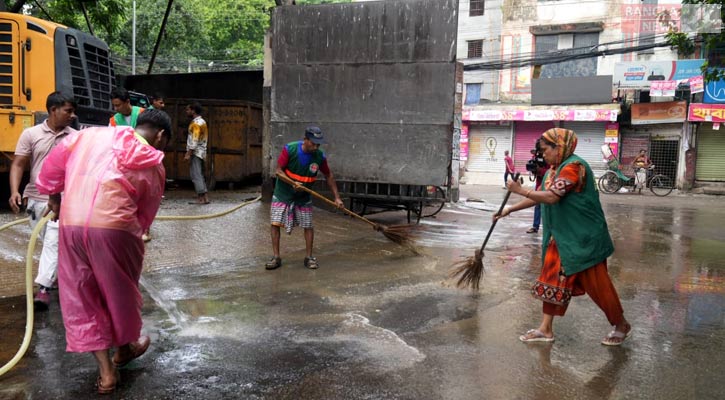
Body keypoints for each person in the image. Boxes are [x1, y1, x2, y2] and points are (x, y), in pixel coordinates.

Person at [36, 109, 171, 395]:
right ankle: (125, 347)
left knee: (82, 296)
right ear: (160, 135)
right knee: (119, 291)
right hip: (115, 229)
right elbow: (147, 210)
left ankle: (107, 373)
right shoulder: (153, 163)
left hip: (72, 224)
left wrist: (53, 195)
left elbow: (53, 165)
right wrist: (139, 230)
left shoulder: (88, 136)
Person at [495, 128, 631, 346]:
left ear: (559, 147)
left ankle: (621, 324)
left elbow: (551, 196)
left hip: (582, 239)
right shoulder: (552, 171)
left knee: (598, 286)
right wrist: (510, 210)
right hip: (559, 237)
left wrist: (520, 190)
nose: (543, 155)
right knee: (551, 280)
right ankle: (545, 329)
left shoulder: (573, 168)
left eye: (545, 150)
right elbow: (539, 196)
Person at [8, 92, 77, 310]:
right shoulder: (31, 134)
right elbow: (19, 164)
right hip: (36, 198)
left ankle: (44, 289)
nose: (72, 116)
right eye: (68, 111)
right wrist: (14, 191)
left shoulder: (74, 136)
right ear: (53, 110)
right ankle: (55, 277)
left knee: (54, 241)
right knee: (52, 243)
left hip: (63, 198)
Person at [265, 126, 344, 270]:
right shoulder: (290, 149)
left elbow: (329, 176)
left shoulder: (320, 157)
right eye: (313, 143)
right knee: (275, 223)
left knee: (308, 225)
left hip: (303, 195)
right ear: (305, 140)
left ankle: (309, 257)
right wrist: (293, 183)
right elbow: (278, 171)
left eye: (318, 144)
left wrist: (337, 198)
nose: (315, 146)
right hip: (283, 193)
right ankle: (276, 257)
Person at [184, 102, 210, 204]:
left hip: (196, 152)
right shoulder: (202, 121)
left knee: (196, 175)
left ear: (193, 110)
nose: (187, 112)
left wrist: (188, 153)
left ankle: (200, 198)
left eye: (188, 110)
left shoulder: (196, 124)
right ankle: (206, 197)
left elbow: (194, 140)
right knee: (200, 174)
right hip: (202, 151)